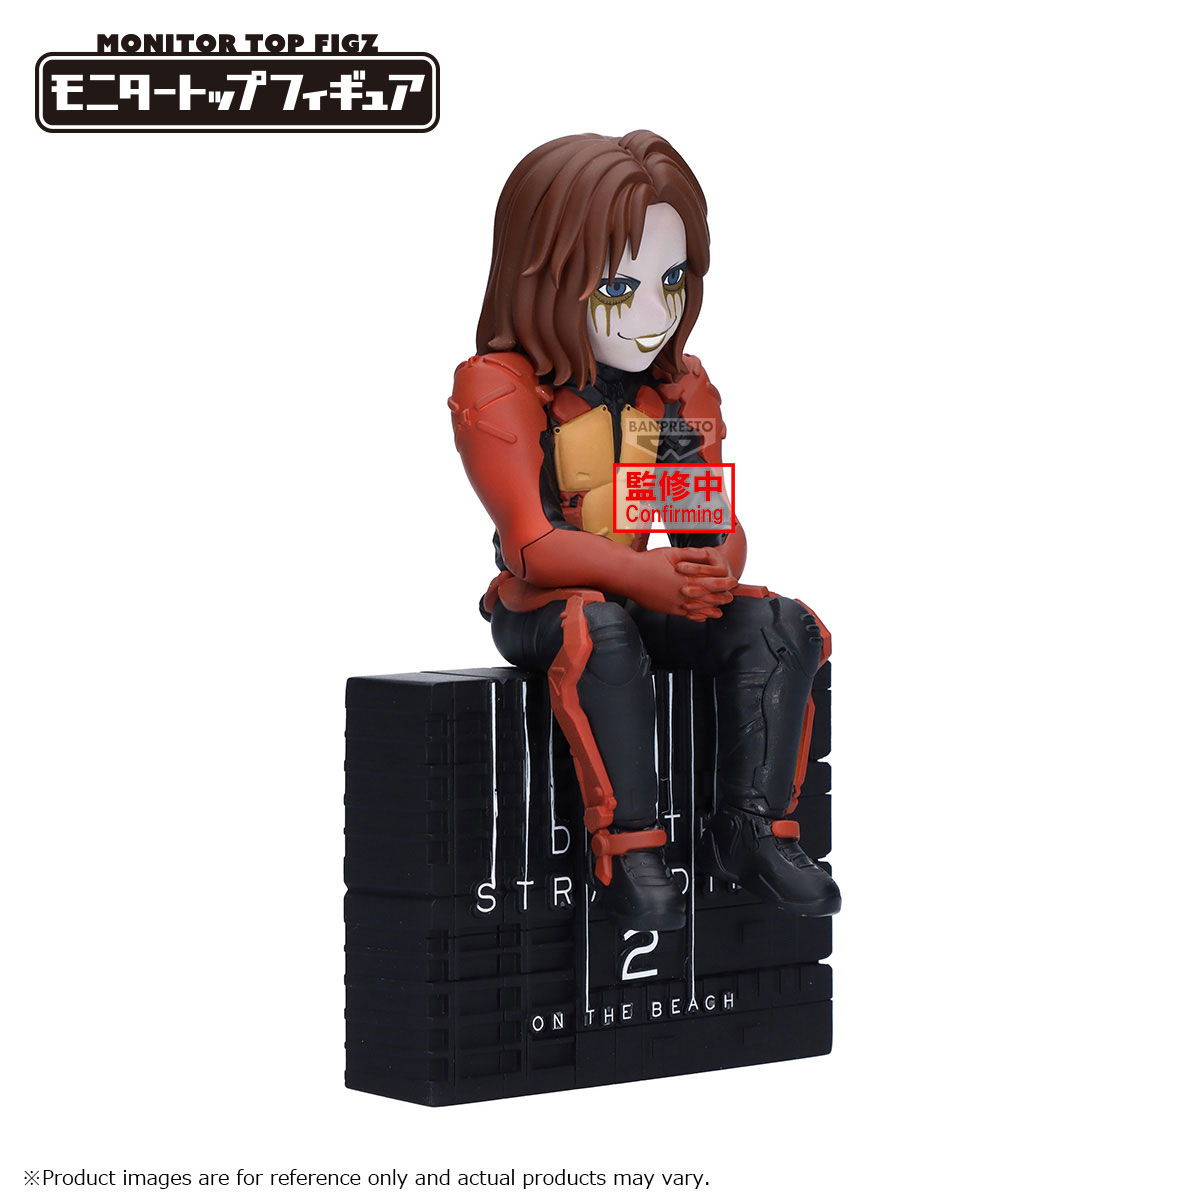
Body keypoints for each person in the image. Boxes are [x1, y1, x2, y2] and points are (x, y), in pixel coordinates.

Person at [449, 130, 841, 930]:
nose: (655, 316)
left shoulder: (671, 391)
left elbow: (709, 525)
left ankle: (754, 830)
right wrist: (645, 577)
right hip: (542, 605)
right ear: (544, 279)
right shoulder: (501, 386)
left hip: (641, 593)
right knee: (599, 629)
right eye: (620, 288)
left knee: (779, 625)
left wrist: (711, 570)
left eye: (671, 280)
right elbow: (531, 544)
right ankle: (627, 849)